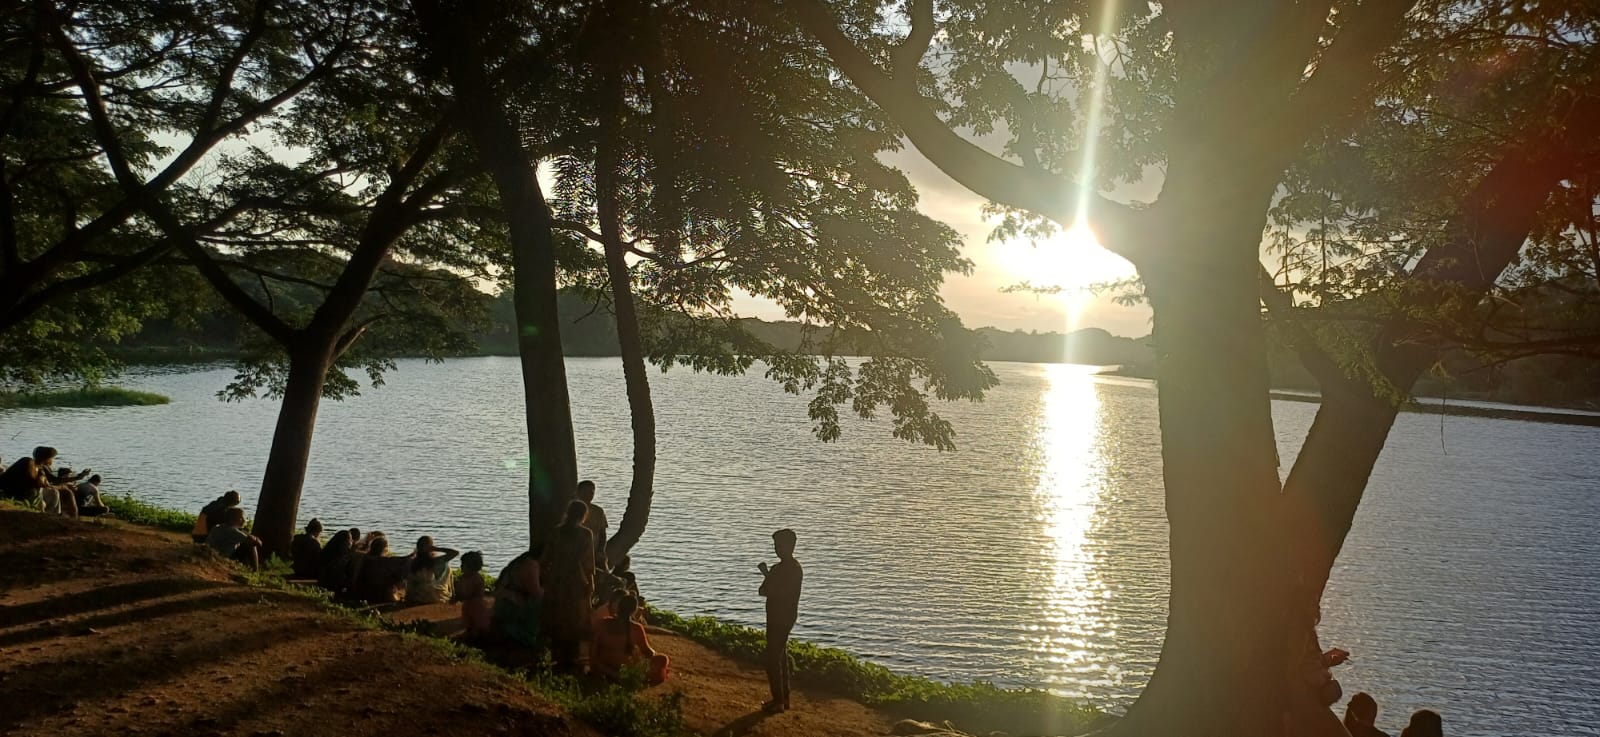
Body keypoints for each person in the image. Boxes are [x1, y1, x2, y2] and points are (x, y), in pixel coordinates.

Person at [542, 500, 595, 667]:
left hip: (557, 578)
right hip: (576, 580)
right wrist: (591, 583)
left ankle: (554, 653)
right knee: (575, 617)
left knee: (557, 614)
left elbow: (545, 559)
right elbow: (588, 563)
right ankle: (572, 657)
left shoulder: (557, 532)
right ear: (583, 515)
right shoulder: (586, 534)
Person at [758, 528, 803, 713]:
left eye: (779, 545)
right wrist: (769, 578)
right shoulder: (777, 569)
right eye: (775, 545)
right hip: (773, 616)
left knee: (772, 658)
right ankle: (782, 699)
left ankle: (778, 701)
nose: (776, 549)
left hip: (784, 618)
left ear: (790, 546)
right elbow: (763, 590)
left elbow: (781, 592)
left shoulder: (794, 570)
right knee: (780, 657)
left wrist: (769, 578)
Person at [591, 594, 668, 684]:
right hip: (621, 671)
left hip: (602, 668)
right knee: (663, 659)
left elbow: (593, 655)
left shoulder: (602, 623)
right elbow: (648, 652)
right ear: (634, 611)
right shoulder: (636, 628)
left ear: (618, 607)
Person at [492, 548, 544, 648]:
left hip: (505, 604)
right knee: (538, 602)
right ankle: (525, 636)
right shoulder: (531, 564)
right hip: (508, 606)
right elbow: (536, 592)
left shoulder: (522, 562)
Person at [0, 447, 73, 516]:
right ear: (46, 458)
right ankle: (45, 514)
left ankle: (52, 514)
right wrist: (59, 486)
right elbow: (36, 482)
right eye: (51, 458)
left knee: (53, 492)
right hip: (15, 491)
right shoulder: (29, 462)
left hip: (25, 490)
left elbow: (49, 481)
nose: (52, 460)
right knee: (41, 491)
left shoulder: (40, 467)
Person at [348, 535, 409, 603]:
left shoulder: (364, 557)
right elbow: (402, 561)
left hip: (361, 592)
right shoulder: (383, 561)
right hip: (376, 595)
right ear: (384, 549)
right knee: (398, 573)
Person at [403, 535, 459, 604]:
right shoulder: (435, 561)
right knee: (448, 568)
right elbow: (455, 553)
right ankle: (452, 593)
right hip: (431, 596)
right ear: (431, 547)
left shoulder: (411, 561)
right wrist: (437, 549)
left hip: (414, 595)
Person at [455, 551, 491, 638]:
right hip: (467, 604)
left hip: (477, 605)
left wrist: (463, 596)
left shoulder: (477, 579)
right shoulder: (462, 578)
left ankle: (478, 635)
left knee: (478, 622)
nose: (461, 567)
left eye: (463, 565)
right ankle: (469, 632)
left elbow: (475, 593)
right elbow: (460, 590)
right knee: (468, 621)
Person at [576, 480, 608, 567]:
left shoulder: (598, 511)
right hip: (576, 551)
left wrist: (601, 550)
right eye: (585, 492)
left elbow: (602, 533)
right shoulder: (572, 509)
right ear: (578, 492)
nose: (589, 495)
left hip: (594, 550)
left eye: (591, 492)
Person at [318, 529, 356, 594]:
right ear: (345, 542)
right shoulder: (344, 557)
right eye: (350, 539)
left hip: (323, 582)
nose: (351, 541)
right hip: (335, 586)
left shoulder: (328, 551)